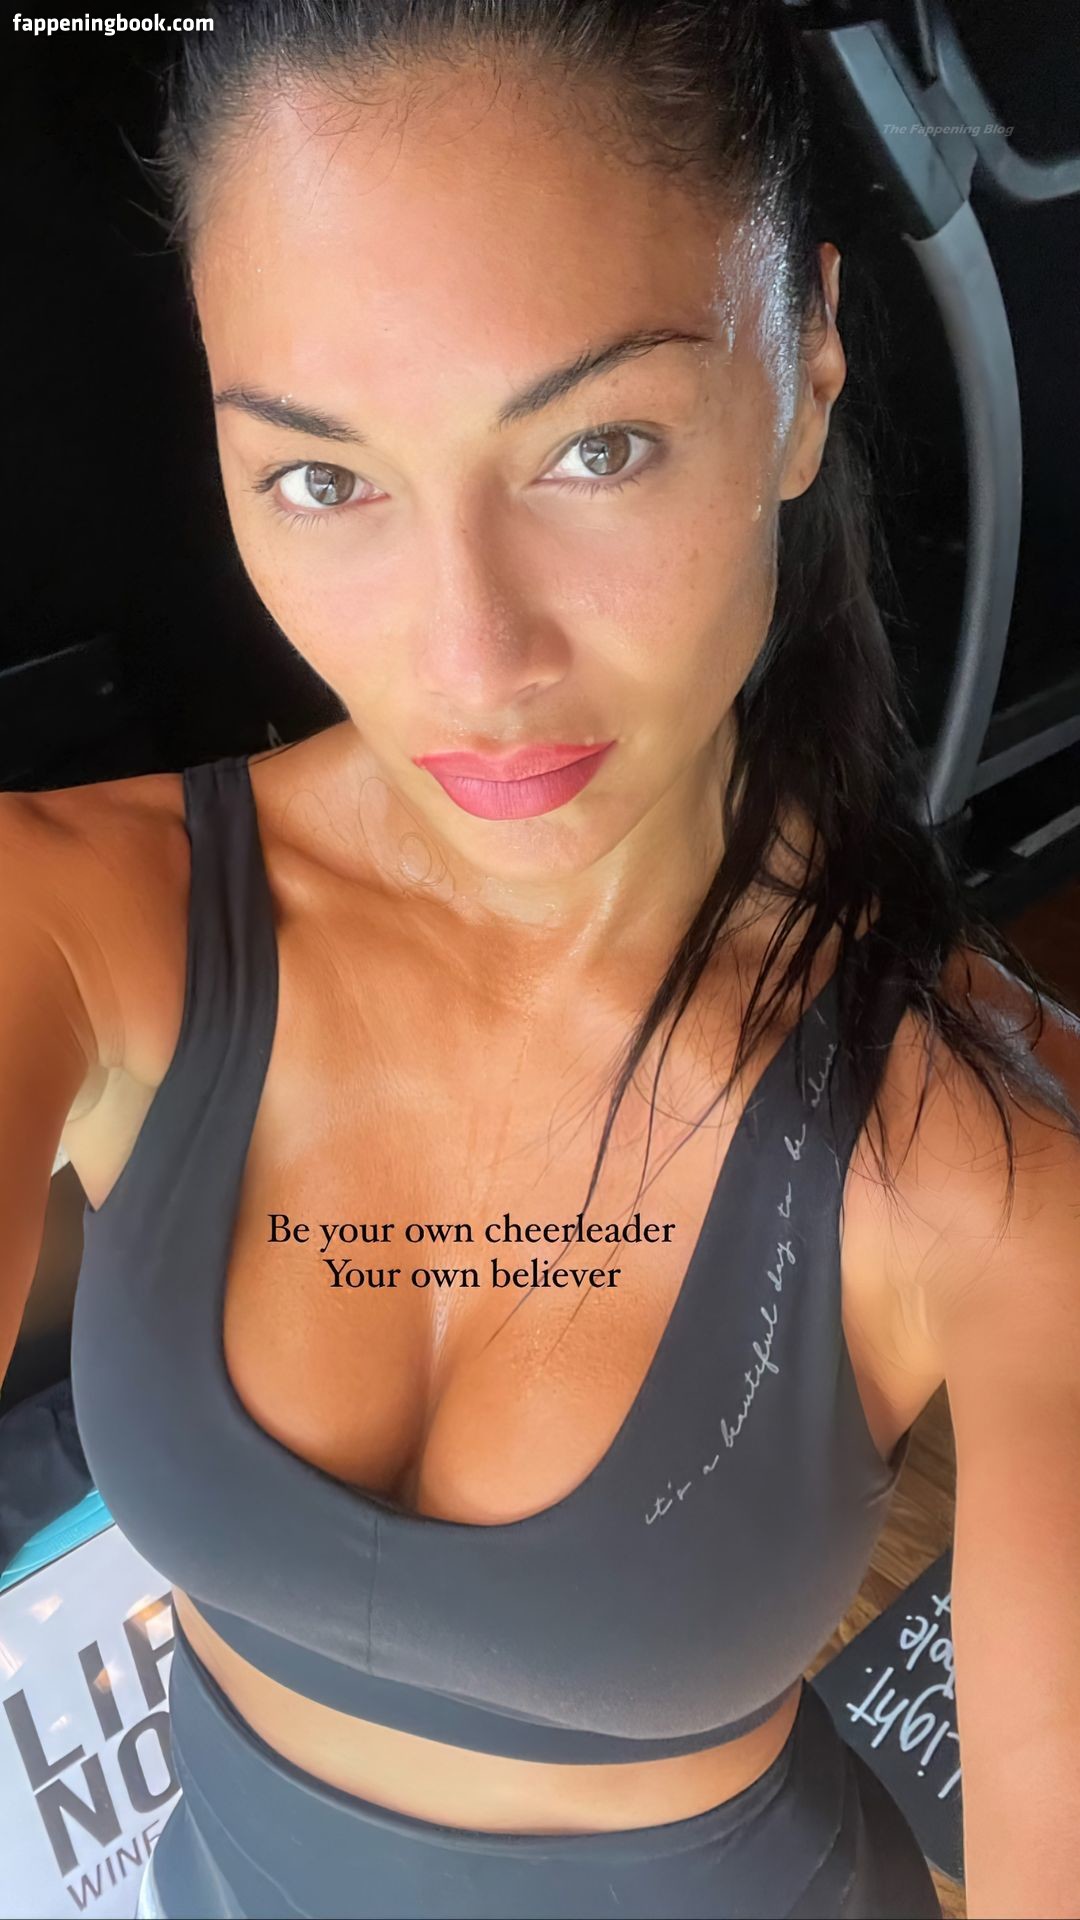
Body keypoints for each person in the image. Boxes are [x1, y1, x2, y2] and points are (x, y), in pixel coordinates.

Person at [3, 3, 1078, 1916]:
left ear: (808, 368)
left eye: (599, 446)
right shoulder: (74, 922)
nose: (472, 660)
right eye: (323, 478)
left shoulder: (982, 1163)